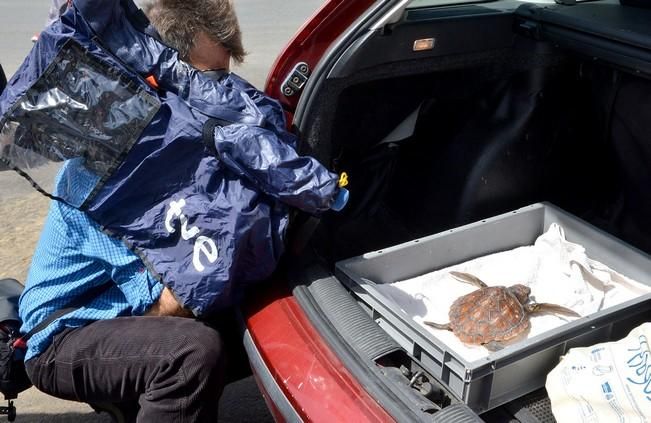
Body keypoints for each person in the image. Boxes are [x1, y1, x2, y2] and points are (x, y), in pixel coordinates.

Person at [18, 1, 254, 421]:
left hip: (121, 310)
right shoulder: (106, 173)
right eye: (208, 79)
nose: (220, 93)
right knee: (190, 353)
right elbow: (169, 302)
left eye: (225, 76)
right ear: (159, 74)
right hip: (62, 337)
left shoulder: (174, 145)